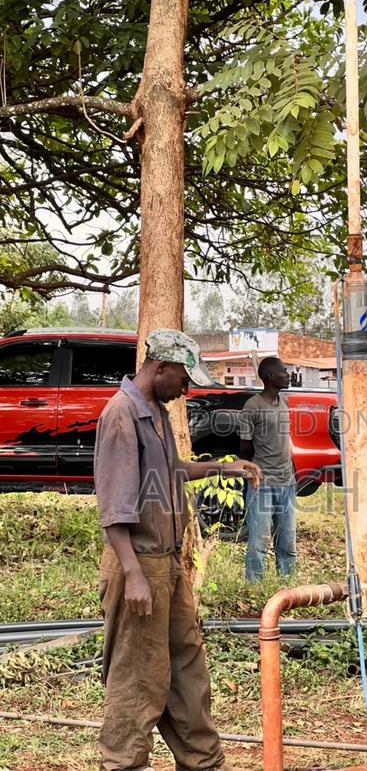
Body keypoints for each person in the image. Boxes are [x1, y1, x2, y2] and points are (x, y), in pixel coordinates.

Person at [94, 328, 261, 771]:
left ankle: (203, 762)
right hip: (138, 564)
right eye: (185, 378)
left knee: (186, 667)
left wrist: (224, 467)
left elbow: (170, 470)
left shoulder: (155, 411)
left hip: (166, 564)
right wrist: (132, 575)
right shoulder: (121, 415)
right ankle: (124, 763)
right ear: (160, 367)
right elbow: (113, 508)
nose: (187, 388)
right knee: (137, 676)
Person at [239, 356, 296, 583]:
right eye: (284, 371)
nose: (288, 374)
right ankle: (254, 588)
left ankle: (288, 588)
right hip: (262, 484)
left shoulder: (285, 402)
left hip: (287, 484)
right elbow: (245, 447)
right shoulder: (252, 407)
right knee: (259, 542)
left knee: (287, 542)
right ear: (271, 377)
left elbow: (283, 441)